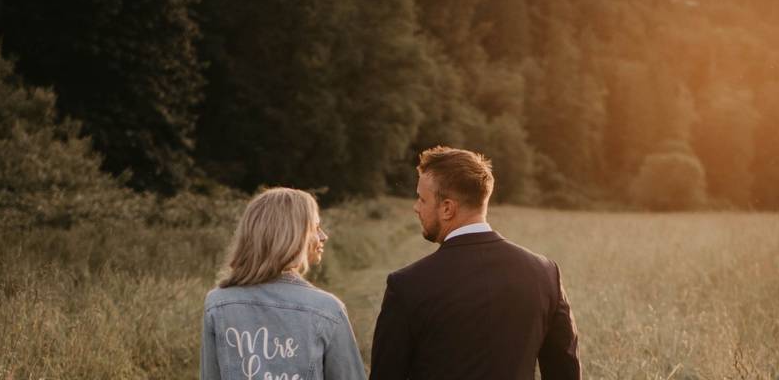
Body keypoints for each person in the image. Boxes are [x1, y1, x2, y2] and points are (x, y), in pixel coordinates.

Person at [370, 146, 581, 380]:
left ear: (447, 208)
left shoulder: (407, 285)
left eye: (422, 199)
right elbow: (565, 373)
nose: (416, 207)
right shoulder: (545, 274)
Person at [200, 187, 366, 380]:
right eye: (315, 227)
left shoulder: (218, 303)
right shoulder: (328, 310)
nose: (323, 236)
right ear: (292, 235)